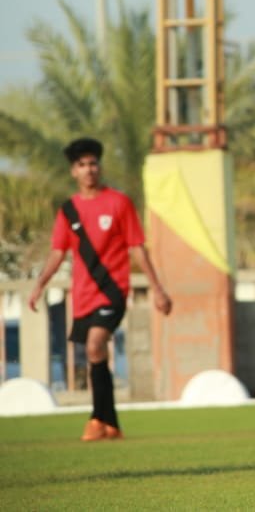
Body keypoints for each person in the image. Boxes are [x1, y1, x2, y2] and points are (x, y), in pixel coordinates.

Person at [27, 137, 173, 441]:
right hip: (83, 295)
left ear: (100, 166)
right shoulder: (68, 210)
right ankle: (110, 423)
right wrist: (40, 283)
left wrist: (158, 288)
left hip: (113, 290)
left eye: (93, 163)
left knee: (95, 345)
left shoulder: (119, 203)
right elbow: (57, 251)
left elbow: (137, 248)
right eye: (82, 165)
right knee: (94, 354)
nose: (89, 169)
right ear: (73, 171)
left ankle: (96, 419)